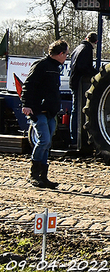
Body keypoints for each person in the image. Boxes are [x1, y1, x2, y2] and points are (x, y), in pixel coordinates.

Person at [21, 39, 69, 189]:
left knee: (47, 144)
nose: (67, 57)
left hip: (49, 111)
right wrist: (27, 105)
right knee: (44, 141)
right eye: (66, 54)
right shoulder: (41, 65)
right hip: (38, 110)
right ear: (60, 53)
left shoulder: (55, 67)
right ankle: (33, 174)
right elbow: (28, 85)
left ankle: (43, 176)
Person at [69, 32, 98, 147]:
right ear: (95, 42)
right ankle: (76, 137)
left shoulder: (78, 48)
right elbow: (84, 68)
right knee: (77, 110)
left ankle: (74, 137)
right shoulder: (87, 49)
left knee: (74, 110)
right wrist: (96, 74)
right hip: (79, 84)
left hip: (74, 82)